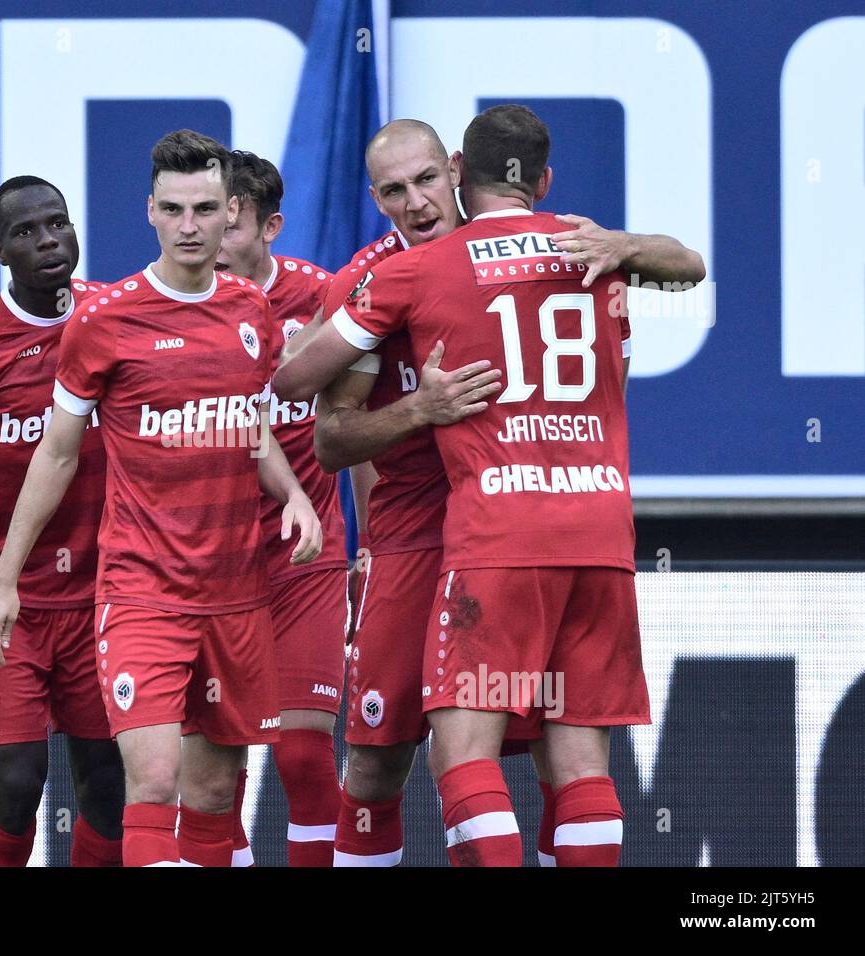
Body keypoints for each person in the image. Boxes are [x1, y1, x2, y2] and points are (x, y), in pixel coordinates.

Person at [287, 118, 702, 866]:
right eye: (393, 191)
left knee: (532, 754)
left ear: (454, 170)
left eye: (424, 181)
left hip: (497, 535)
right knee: (378, 762)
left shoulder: (563, 256)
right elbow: (328, 438)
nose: (415, 202)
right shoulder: (371, 278)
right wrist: (419, 410)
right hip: (417, 544)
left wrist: (625, 247)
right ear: (375, 199)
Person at [0, 129, 322, 867]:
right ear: (150, 213)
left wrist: (294, 496)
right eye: (174, 209)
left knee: (210, 794)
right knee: (154, 781)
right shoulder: (104, 321)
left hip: (237, 593)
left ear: (231, 211)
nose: (191, 226)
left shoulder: (249, 311)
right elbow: (58, 452)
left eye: (206, 208)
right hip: (142, 591)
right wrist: (4, 577)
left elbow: (252, 426)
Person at [0, 175, 124, 867]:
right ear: (1, 250)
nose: (48, 240)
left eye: (57, 223)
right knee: (21, 780)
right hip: (7, 597)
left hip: (103, 592)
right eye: (27, 232)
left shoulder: (112, 318)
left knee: (107, 786)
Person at [215, 150, 345, 866]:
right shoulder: (170, 304)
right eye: (202, 216)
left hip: (306, 558)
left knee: (301, 756)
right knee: (215, 771)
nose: (211, 236)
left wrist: (374, 546)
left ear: (272, 227)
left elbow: (354, 428)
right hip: (208, 565)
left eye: (230, 223)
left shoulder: (326, 299)